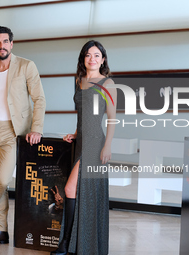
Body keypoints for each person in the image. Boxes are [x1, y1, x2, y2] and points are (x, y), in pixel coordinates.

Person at [0, 26, 46, 246]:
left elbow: (40, 99)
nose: (2, 46)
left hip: (12, 132)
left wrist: (37, 129)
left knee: (3, 179)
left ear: (11, 44)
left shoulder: (26, 66)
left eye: (6, 42)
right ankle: (1, 231)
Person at [51, 40, 117, 255]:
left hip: (96, 143)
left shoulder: (108, 84)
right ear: (83, 58)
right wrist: (76, 133)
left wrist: (107, 146)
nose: (92, 59)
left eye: (96, 55)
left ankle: (65, 243)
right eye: (88, 55)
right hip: (81, 142)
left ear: (103, 59)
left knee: (71, 189)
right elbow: (83, 115)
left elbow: (111, 119)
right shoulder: (78, 80)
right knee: (80, 192)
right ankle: (74, 244)